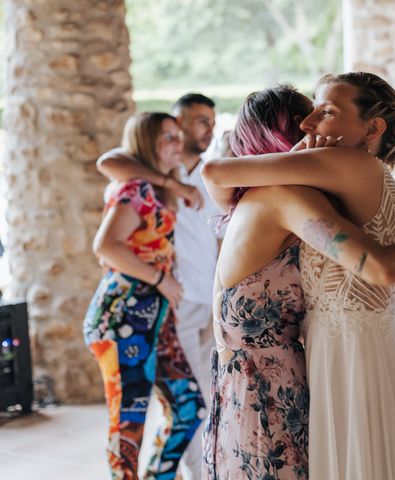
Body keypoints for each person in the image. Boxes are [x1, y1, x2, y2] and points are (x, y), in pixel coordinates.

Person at [202, 74, 395, 480]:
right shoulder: (288, 198)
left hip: (253, 389)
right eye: (305, 119)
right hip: (266, 399)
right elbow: (381, 266)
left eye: (324, 114)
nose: (310, 127)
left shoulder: (258, 199)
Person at [97, 94, 222, 480]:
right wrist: (160, 278)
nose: (206, 130)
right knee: (132, 417)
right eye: (170, 134)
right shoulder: (137, 185)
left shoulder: (184, 181)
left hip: (176, 306)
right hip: (135, 311)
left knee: (189, 406)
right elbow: (106, 246)